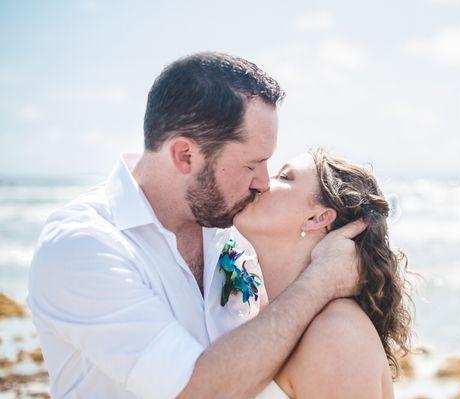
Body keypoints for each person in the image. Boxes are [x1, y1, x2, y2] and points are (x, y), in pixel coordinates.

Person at [26, 52, 366, 399]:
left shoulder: (231, 228)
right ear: (184, 155)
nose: (263, 183)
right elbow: (194, 391)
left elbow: (262, 340)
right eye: (251, 165)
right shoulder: (83, 246)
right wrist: (321, 281)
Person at [234, 150, 416, 398]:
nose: (263, 182)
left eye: (284, 177)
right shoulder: (258, 311)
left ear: (318, 218)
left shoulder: (337, 333)